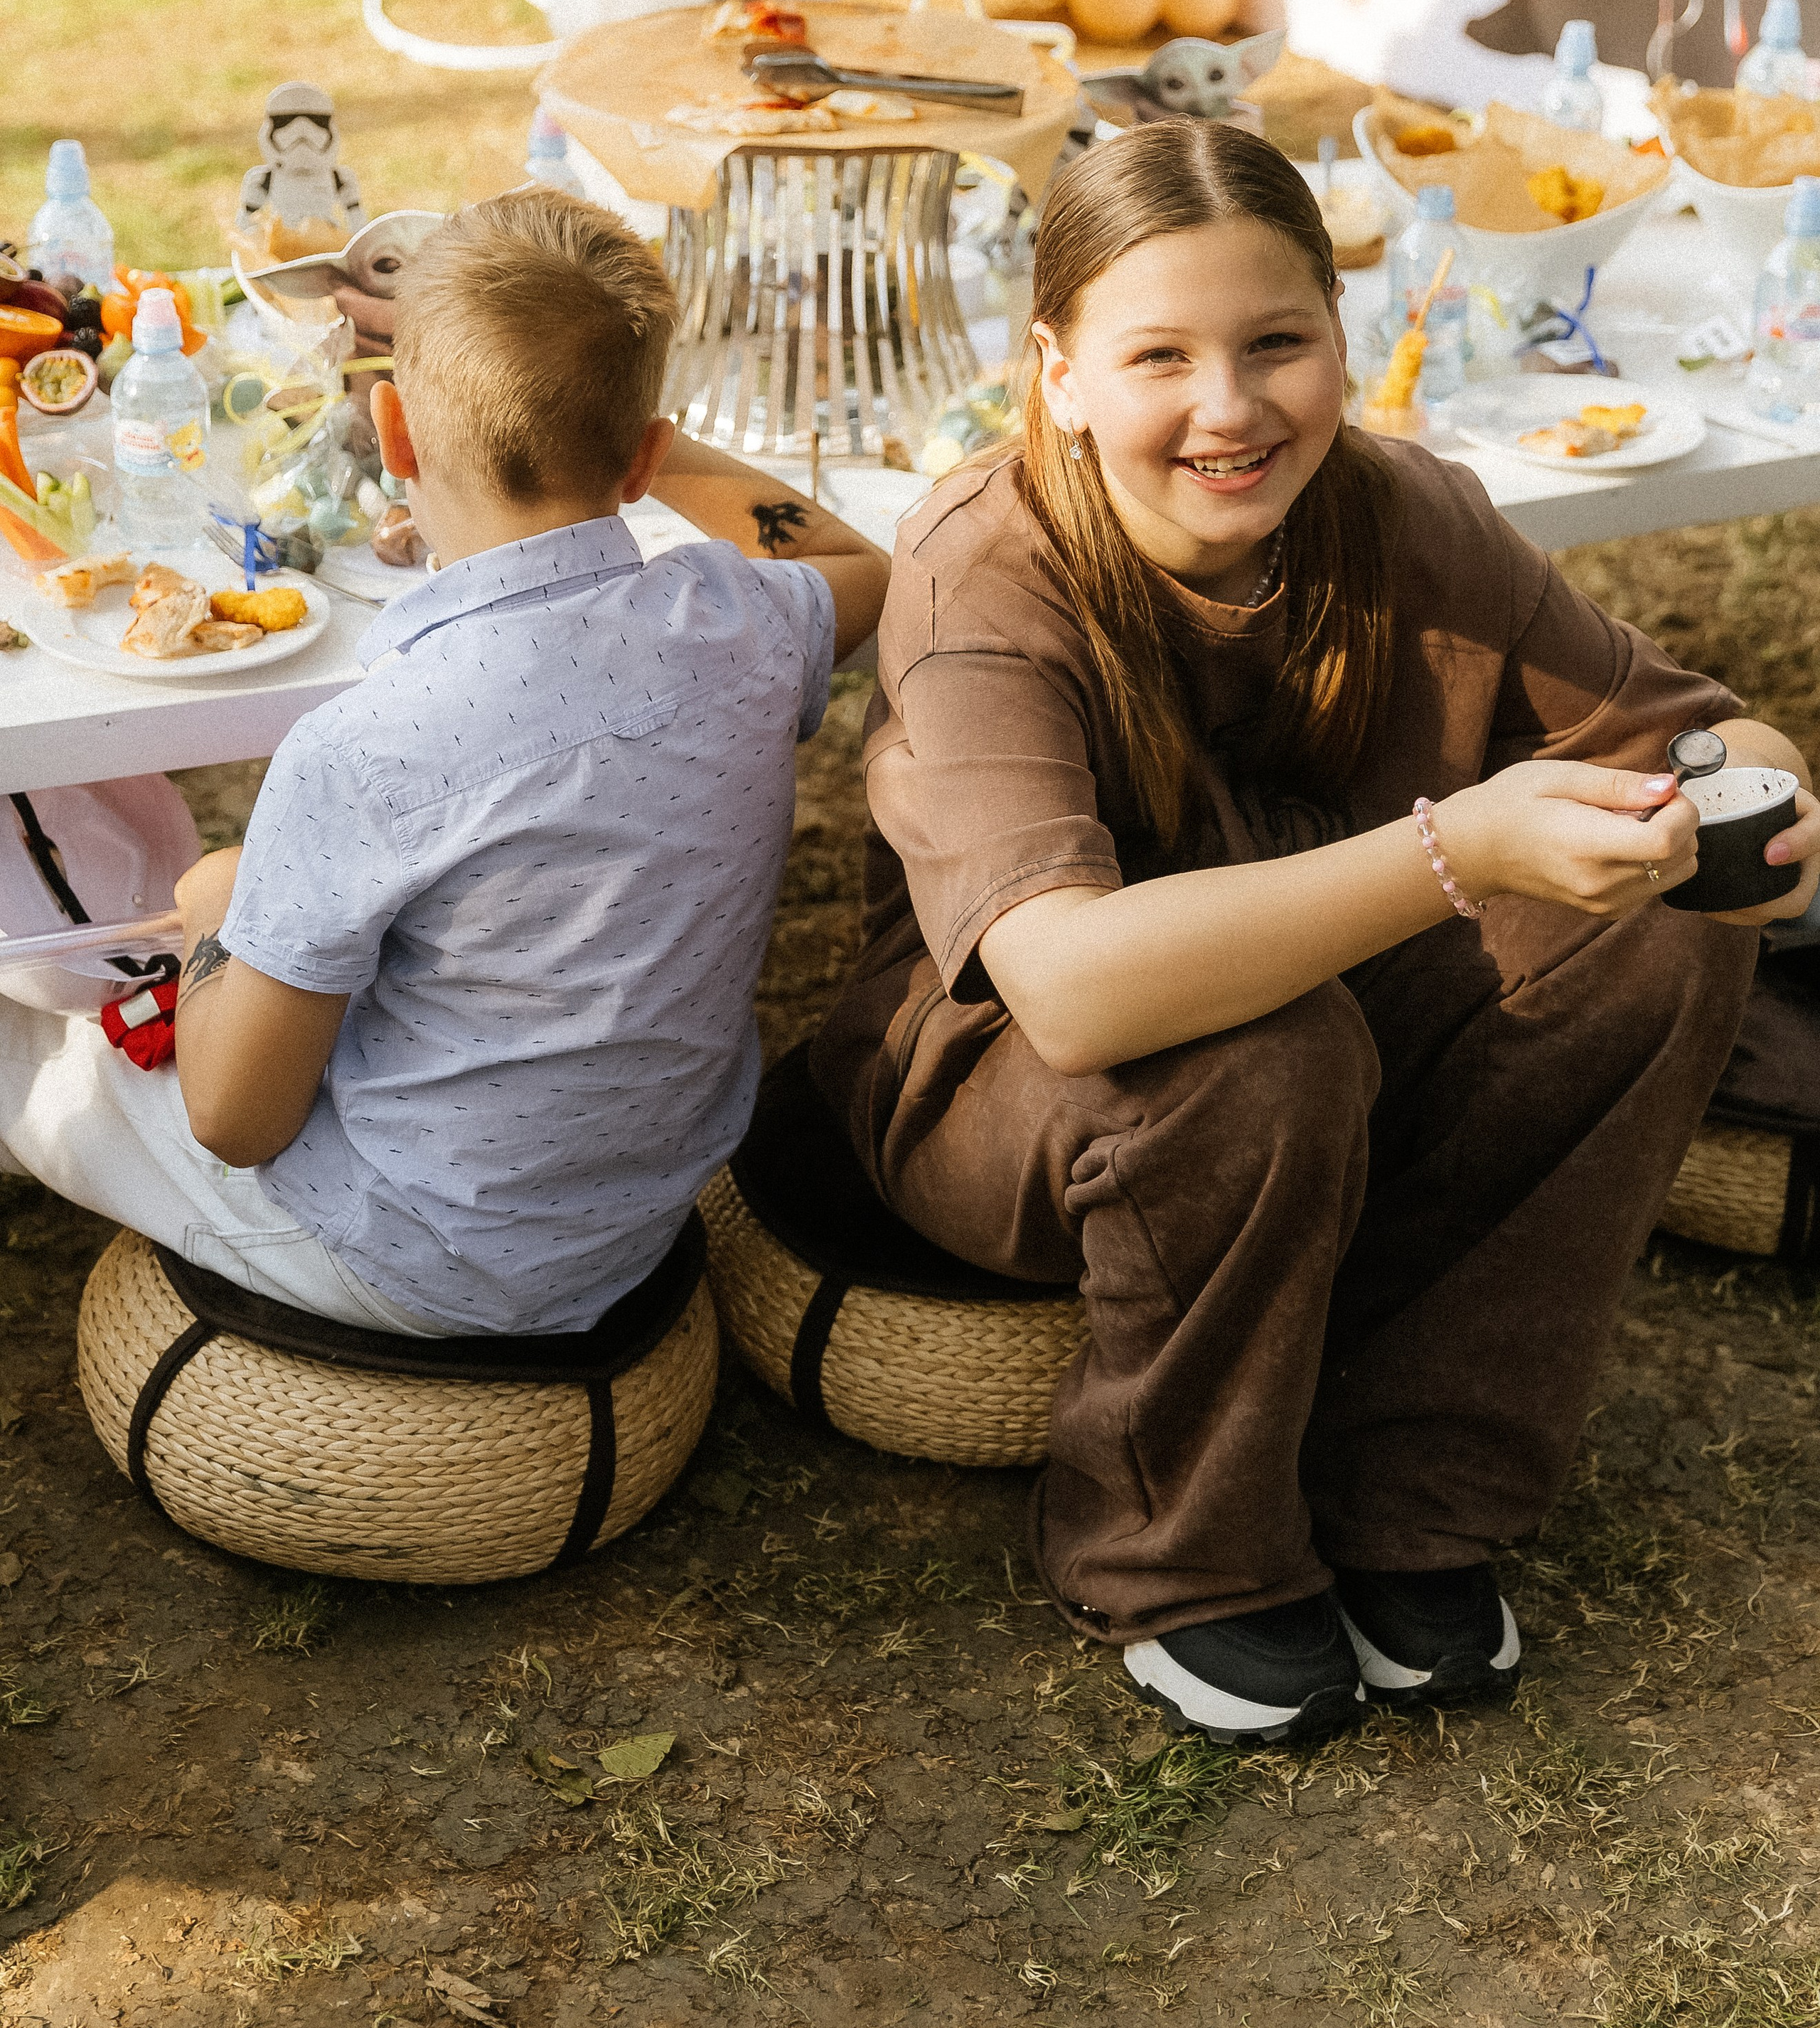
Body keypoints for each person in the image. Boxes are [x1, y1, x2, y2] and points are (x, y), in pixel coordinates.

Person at [808, 120, 1820, 1743]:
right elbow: (1069, 992)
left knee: (1659, 937)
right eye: (1160, 357)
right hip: (999, 1088)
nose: (1228, 407)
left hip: (1341, 1027)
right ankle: (1177, 1552)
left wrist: (1744, 818)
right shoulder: (978, 566)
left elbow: (1706, 733)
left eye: (1274, 343)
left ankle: (1412, 1485)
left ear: (1340, 336)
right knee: (1261, 1054)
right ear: (1058, 372)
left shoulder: (1400, 508)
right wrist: (1452, 850)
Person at [0, 190, 890, 1336]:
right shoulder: (739, 619)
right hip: (636, 1208)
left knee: (29, 1033)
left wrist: (222, 912)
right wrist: (625, 434)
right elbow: (853, 559)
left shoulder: (360, 750)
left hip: (413, 1256)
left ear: (394, 432)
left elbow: (235, 1121)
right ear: (646, 455)